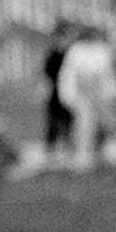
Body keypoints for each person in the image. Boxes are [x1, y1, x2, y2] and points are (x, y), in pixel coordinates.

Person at [58, 25, 116, 171]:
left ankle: (100, 153)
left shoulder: (103, 50)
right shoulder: (75, 51)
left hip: (101, 93)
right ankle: (82, 157)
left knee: (105, 124)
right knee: (84, 125)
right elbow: (68, 74)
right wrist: (67, 95)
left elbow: (108, 73)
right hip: (82, 94)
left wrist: (112, 92)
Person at [42, 20, 76, 165]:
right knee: (53, 121)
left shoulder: (72, 52)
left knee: (69, 120)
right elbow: (47, 72)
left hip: (69, 90)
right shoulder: (53, 52)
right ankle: (51, 152)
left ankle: (69, 150)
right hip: (55, 91)